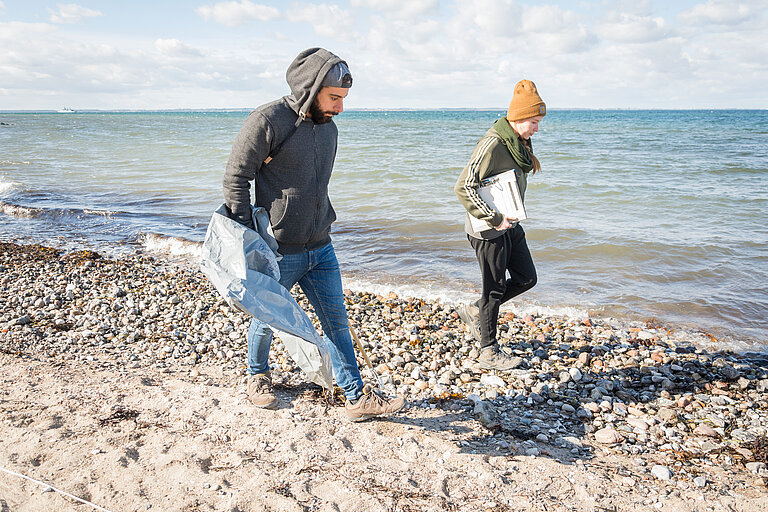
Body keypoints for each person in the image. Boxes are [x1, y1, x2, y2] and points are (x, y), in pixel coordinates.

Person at [222, 48, 405, 421]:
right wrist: (247, 236)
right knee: (270, 315)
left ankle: (356, 398)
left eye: (343, 99)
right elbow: (236, 177)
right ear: (312, 87)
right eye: (334, 97)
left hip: (321, 247)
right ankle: (257, 377)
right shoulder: (268, 120)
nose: (340, 107)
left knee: (337, 320)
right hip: (280, 248)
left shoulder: (329, 130)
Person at [454, 79, 546, 370]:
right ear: (517, 118)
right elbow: (464, 187)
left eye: (539, 121)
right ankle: (488, 352)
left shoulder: (519, 142)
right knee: (493, 289)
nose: (537, 128)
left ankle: (477, 311)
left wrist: (507, 218)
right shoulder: (493, 143)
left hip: (510, 223)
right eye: (534, 121)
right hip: (488, 228)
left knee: (526, 278)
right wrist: (495, 218)